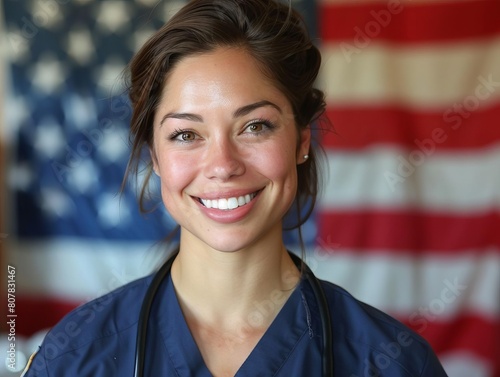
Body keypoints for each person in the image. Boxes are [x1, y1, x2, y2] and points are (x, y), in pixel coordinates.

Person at [22, 0, 448, 376]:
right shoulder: (72, 358)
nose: (223, 166)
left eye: (255, 126)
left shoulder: (393, 363)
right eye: (187, 135)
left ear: (302, 140)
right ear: (155, 156)